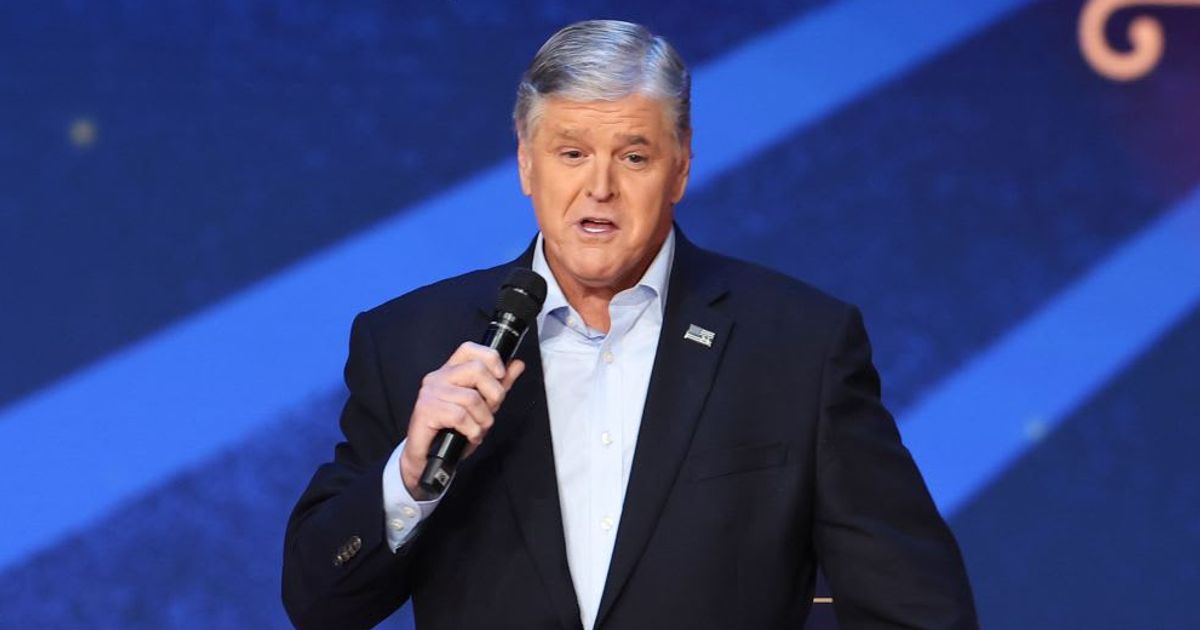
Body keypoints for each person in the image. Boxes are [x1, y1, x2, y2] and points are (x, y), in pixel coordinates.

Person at [282, 19, 977, 630]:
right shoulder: (410, 342)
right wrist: (406, 479)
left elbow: (919, 610)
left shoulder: (798, 346)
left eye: (634, 156)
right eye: (571, 152)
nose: (601, 188)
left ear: (681, 167)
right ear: (527, 163)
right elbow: (317, 602)